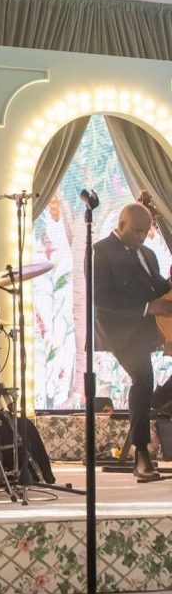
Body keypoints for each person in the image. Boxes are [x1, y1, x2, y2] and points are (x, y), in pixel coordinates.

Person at [94, 201, 172, 481]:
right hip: (118, 331)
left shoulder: (148, 254)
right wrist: (147, 308)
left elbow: (158, 286)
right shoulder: (100, 252)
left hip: (147, 328)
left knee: (146, 382)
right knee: (142, 375)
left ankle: (157, 399)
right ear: (121, 223)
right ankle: (142, 454)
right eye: (136, 231)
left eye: (145, 232)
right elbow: (102, 302)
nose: (140, 236)